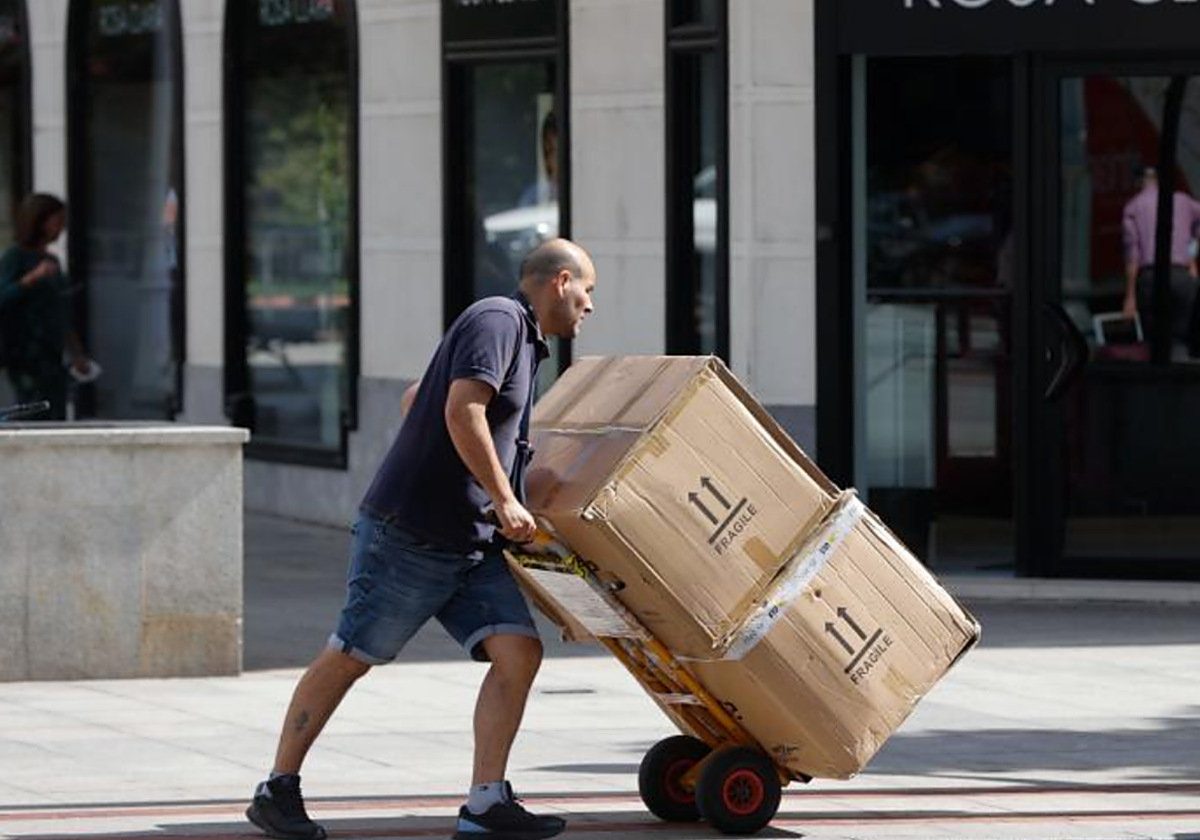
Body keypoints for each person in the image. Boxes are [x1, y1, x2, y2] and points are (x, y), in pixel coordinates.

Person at [246, 238, 597, 840]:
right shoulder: (499, 319)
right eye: (587, 291)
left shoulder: (521, 339)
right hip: (411, 536)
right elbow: (463, 410)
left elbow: (420, 399)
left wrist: (506, 482)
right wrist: (504, 497)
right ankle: (276, 789)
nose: (589, 306)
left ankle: (486, 803)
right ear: (561, 281)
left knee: (519, 652)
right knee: (352, 654)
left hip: (471, 543)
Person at [0, 194, 91, 420]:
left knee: (54, 409)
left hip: (51, 354)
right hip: (23, 354)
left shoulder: (52, 261)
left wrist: (77, 352)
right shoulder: (16, 257)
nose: (61, 227)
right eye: (57, 221)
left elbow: (61, 311)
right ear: (39, 221)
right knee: (29, 411)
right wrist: (31, 279)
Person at [1121, 166, 1200, 346]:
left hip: (1150, 277)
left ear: (1138, 182)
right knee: (1184, 334)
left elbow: (1132, 257)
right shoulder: (1183, 200)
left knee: (1155, 339)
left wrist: (1130, 297)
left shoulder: (1133, 207)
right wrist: (1191, 255)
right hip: (1182, 274)